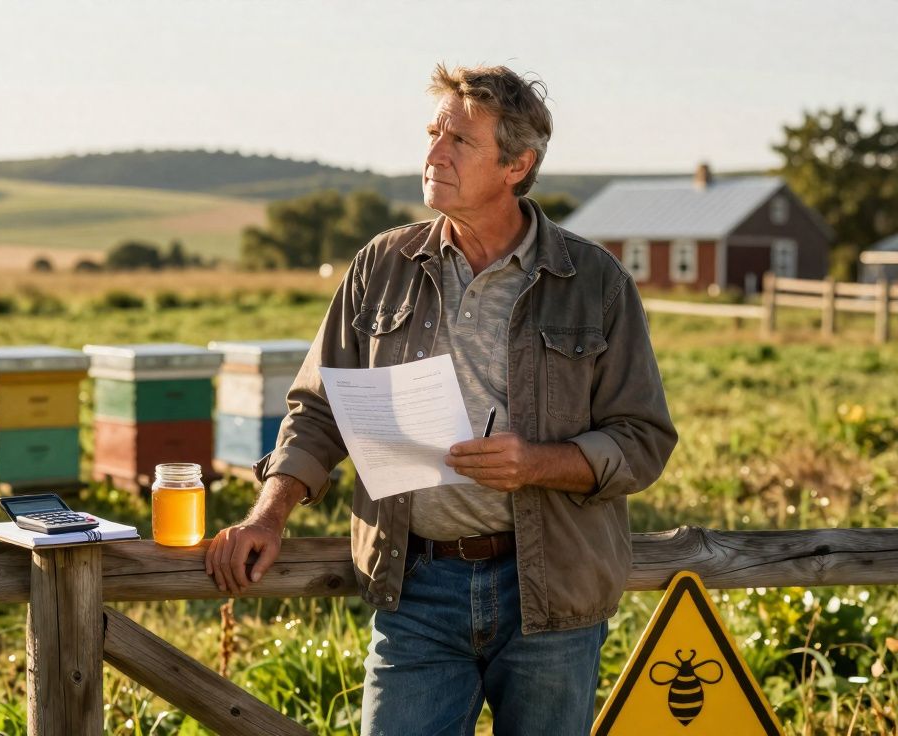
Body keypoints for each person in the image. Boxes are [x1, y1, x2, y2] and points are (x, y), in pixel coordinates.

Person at [204, 64, 678, 735]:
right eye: (433, 133)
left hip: (552, 594)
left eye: (459, 141)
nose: (433, 154)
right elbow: (318, 409)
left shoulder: (594, 281)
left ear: (518, 164)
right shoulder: (382, 264)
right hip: (415, 586)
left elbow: (643, 440)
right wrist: (268, 515)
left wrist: (537, 463)